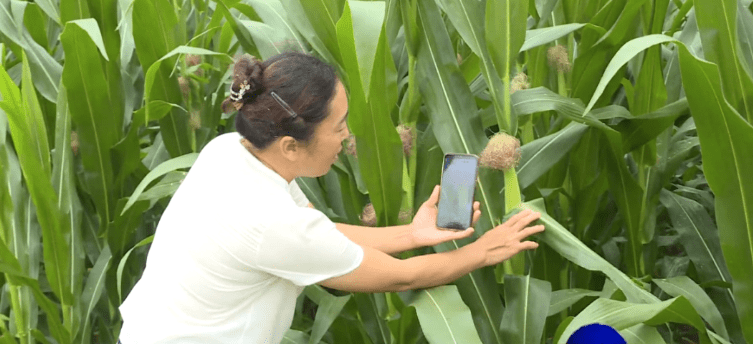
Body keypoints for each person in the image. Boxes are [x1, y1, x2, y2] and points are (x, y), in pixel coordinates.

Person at [117, 52, 544, 343]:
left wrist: (413, 233)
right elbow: (400, 277)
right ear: (290, 145)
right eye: (338, 127)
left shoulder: (230, 152)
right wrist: (484, 251)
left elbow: (320, 232)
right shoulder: (268, 224)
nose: (347, 136)